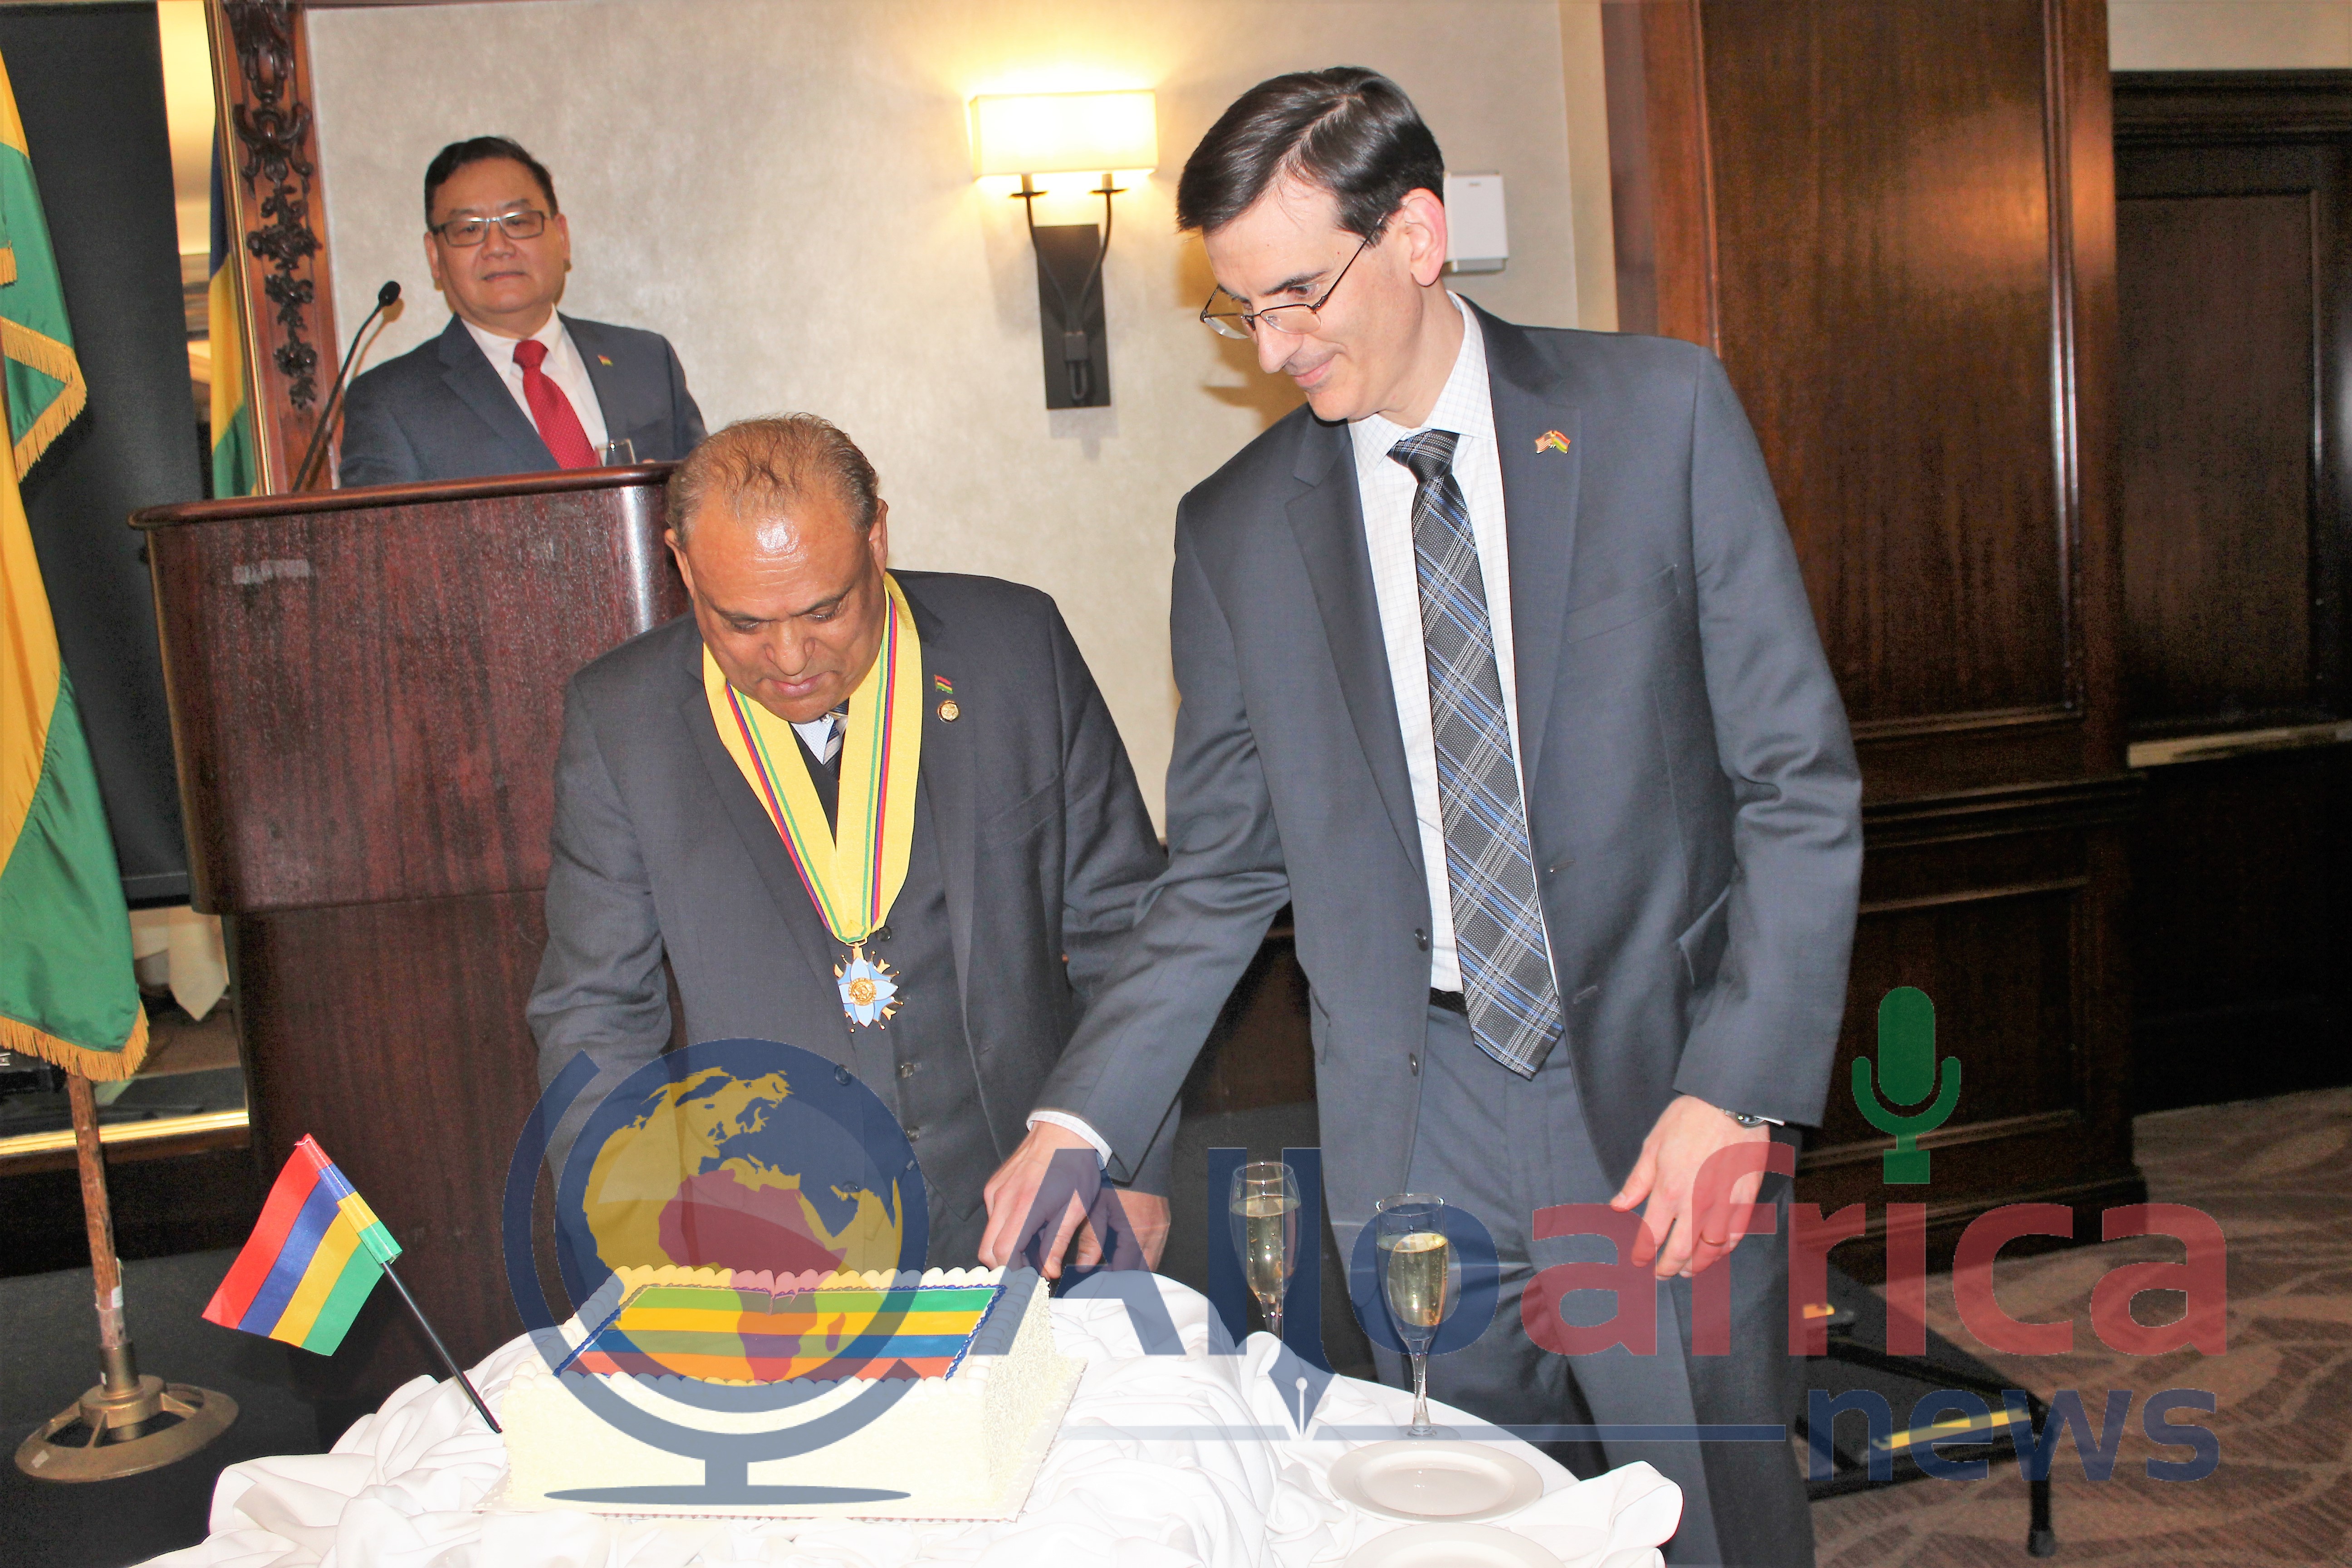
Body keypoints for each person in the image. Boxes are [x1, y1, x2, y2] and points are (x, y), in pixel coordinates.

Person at [979, 68, 1861, 1567]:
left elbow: (1796, 780)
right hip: (1417, 1113)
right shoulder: (1236, 531)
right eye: (1241, 312)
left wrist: (1740, 1089)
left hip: (1656, 1090)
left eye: (1298, 294)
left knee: (1709, 1514)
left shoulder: (1656, 416)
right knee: (1461, 1522)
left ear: (1417, 234)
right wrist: (1080, 1117)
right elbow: (1218, 875)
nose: (1273, 346)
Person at [529, 414, 1170, 1267]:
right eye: (743, 623)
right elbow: (595, 1010)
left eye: (823, 611)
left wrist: (1129, 1157)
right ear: (681, 565)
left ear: (876, 538)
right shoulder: (622, 720)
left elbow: (1125, 930)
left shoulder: (1015, 650)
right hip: (771, 1258)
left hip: (1039, 1217)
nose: (790, 657)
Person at [338, 137, 705, 487]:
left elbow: (712, 505)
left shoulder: (647, 361)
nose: (497, 247)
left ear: (562, 236)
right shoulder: (391, 403)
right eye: (469, 229)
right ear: (435, 256)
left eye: (517, 222)